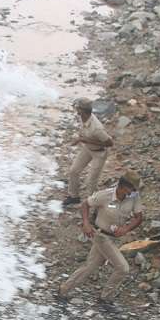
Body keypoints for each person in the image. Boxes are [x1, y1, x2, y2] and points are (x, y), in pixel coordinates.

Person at [58, 170, 144, 300]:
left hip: (113, 238)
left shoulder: (134, 197)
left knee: (90, 266)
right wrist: (86, 223)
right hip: (100, 236)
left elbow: (139, 218)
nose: (134, 192)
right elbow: (85, 205)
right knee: (123, 268)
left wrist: (126, 229)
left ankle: (63, 290)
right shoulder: (105, 195)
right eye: (132, 189)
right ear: (123, 186)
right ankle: (105, 298)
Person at [62, 97, 113, 208]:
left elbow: (110, 143)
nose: (76, 110)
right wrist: (80, 139)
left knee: (90, 182)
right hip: (88, 149)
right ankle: (74, 197)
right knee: (73, 171)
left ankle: (94, 206)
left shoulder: (97, 128)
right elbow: (84, 132)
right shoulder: (83, 117)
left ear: (82, 110)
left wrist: (87, 140)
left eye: (77, 108)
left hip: (99, 153)